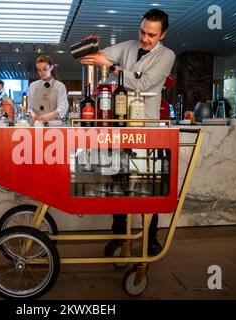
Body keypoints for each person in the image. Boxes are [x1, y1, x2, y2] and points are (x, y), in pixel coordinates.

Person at [81, 8, 175, 256]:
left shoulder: (167, 56)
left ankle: (150, 237)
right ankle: (119, 235)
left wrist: (111, 66)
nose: (145, 38)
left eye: (151, 35)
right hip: (121, 129)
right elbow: (93, 57)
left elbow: (142, 83)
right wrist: (90, 47)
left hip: (147, 130)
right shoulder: (129, 46)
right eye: (143, 32)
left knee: (149, 187)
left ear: (162, 35)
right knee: (119, 183)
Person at [28, 55, 69, 123]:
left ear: (51, 67)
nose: (42, 72)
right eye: (39, 70)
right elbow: (28, 106)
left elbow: (63, 107)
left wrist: (49, 116)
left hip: (54, 124)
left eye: (45, 69)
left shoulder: (60, 86)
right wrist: (32, 113)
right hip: (36, 124)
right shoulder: (33, 86)